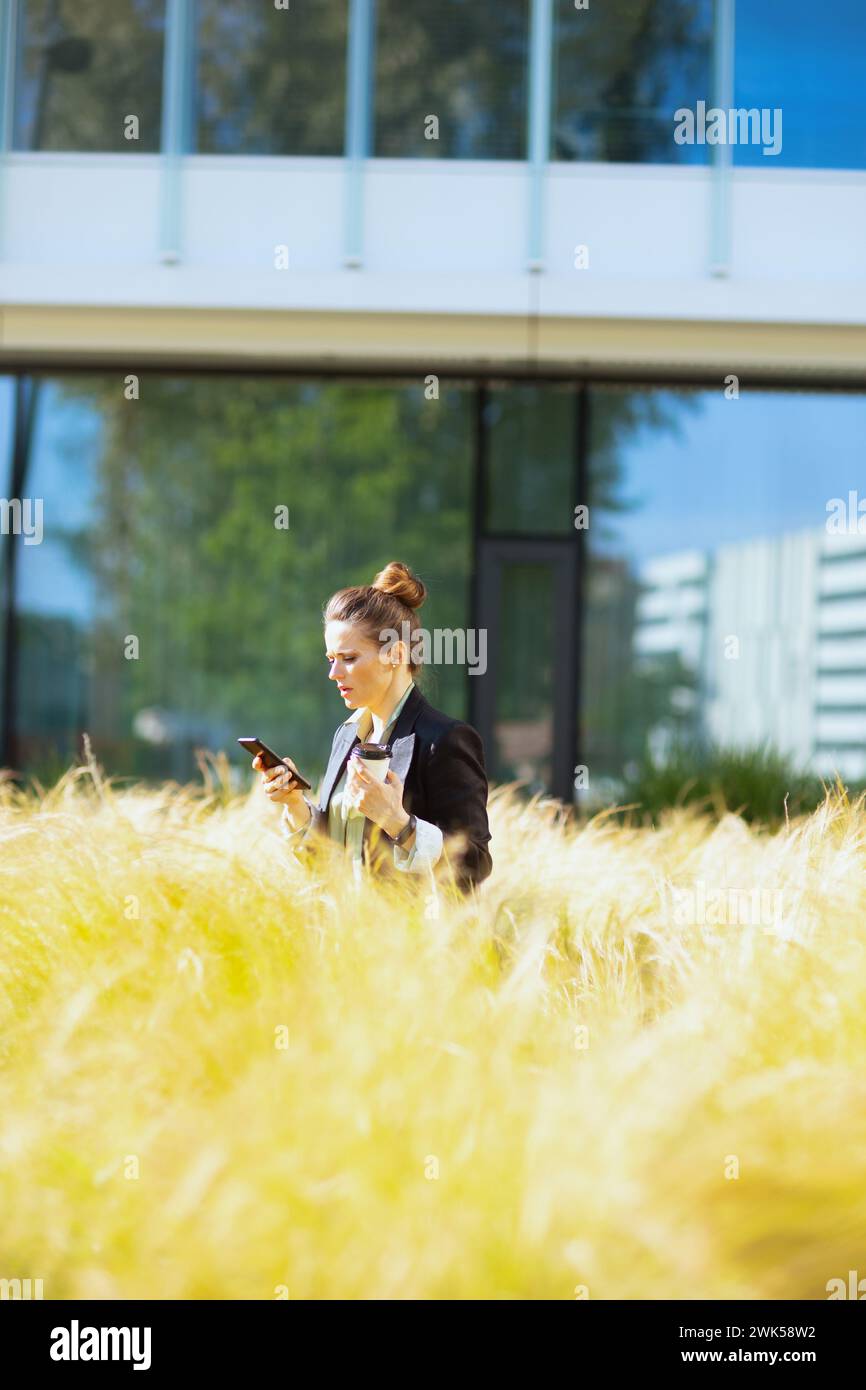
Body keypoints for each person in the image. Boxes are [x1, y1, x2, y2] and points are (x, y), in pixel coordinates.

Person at [255, 561, 492, 893]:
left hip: (409, 942)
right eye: (330, 659)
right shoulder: (347, 736)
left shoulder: (445, 740)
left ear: (395, 654)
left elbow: (474, 865)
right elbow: (329, 859)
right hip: (342, 938)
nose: (334, 674)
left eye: (349, 658)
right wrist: (294, 804)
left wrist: (397, 821)